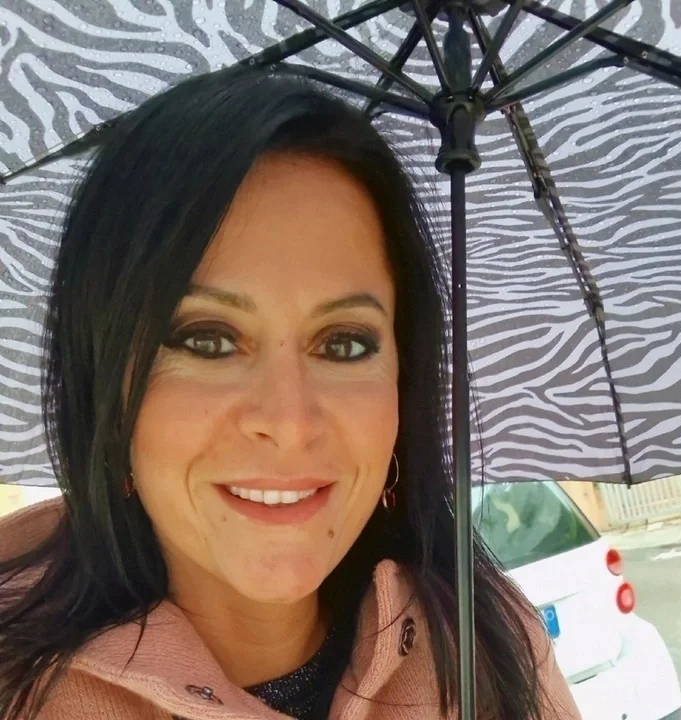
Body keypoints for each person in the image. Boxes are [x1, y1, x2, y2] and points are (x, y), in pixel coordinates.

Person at [0, 69, 581, 720]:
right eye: (208, 340)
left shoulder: (488, 646)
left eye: (344, 344)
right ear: (107, 387)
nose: (289, 421)